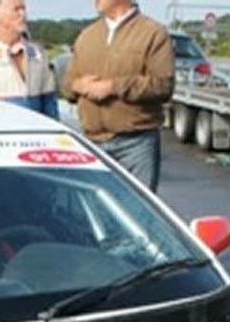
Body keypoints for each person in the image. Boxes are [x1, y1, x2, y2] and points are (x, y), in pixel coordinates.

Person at [61, 0, 174, 191]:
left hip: (136, 144)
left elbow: (163, 85)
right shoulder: (87, 36)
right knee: (97, 216)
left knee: (138, 213)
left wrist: (114, 87)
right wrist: (79, 85)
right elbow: (66, 86)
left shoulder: (153, 33)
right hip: (93, 144)